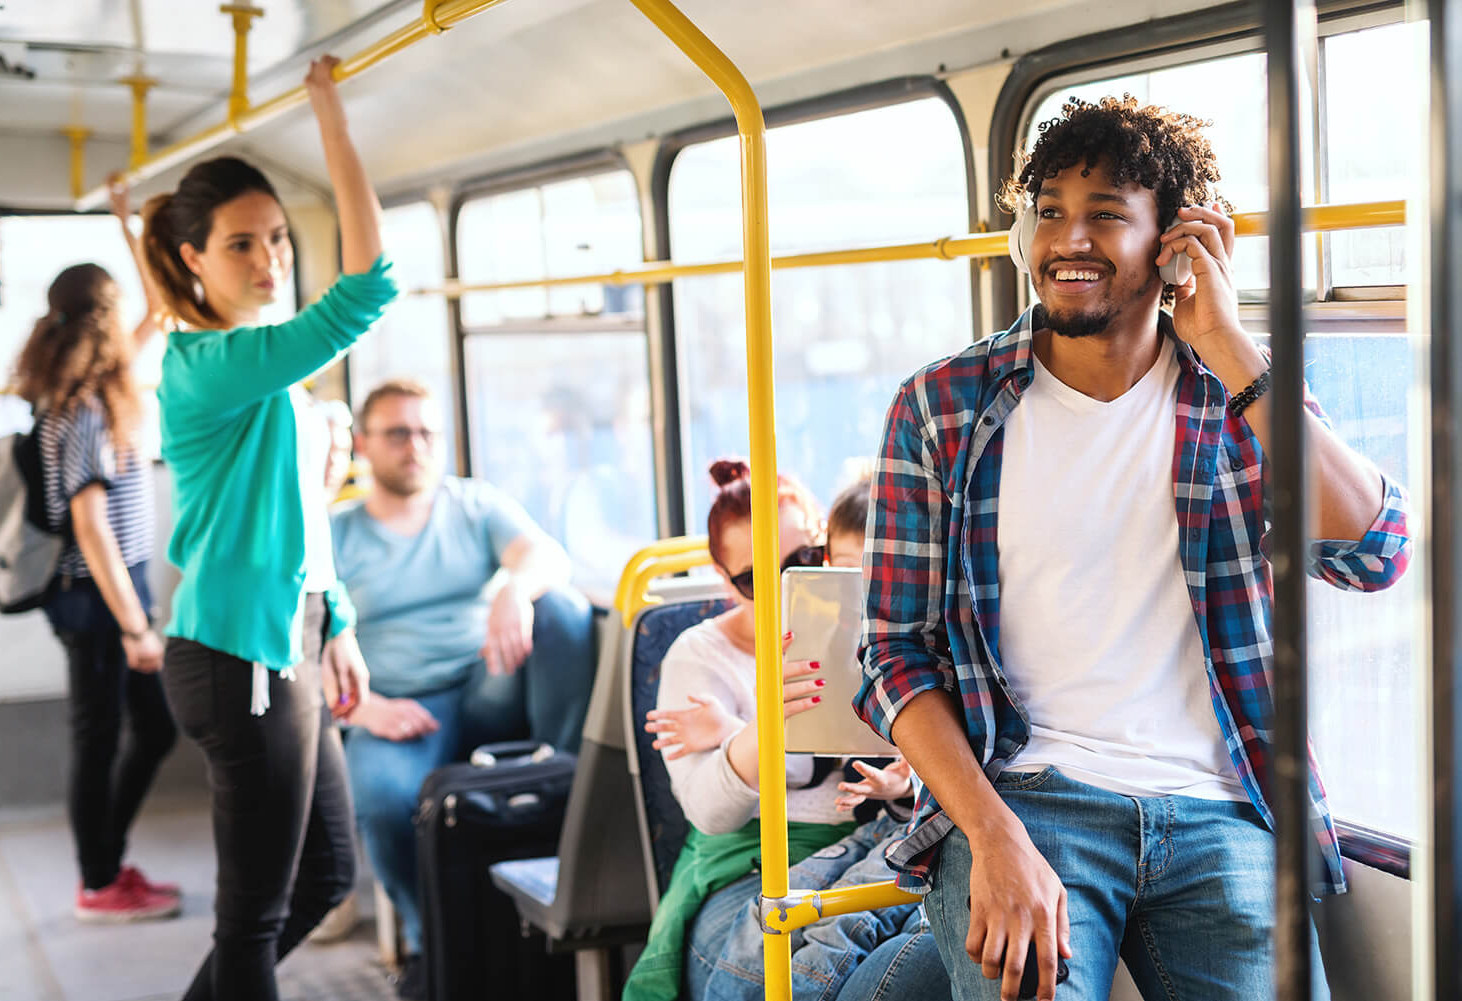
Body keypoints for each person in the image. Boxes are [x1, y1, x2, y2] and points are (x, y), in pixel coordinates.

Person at [856, 95, 1412, 1001]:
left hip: (1219, 811)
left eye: (1105, 214)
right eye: (1049, 213)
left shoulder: (1236, 395)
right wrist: (990, 837)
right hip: (1025, 799)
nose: (1067, 240)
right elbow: (892, 652)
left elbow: (1375, 552)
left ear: (1176, 243)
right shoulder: (943, 407)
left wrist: (1227, 341)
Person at [144, 57, 397, 1001]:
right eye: (242, 243)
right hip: (236, 655)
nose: (270, 259)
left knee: (325, 874)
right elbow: (366, 287)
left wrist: (339, 621)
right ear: (192, 259)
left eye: (280, 237)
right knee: (253, 916)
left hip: (290, 639)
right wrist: (330, 113)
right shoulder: (209, 363)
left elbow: (298, 516)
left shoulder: (265, 371)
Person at [329, 378, 595, 999]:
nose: (415, 447)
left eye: (427, 432)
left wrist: (513, 589)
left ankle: (565, 780)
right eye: (398, 434)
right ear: (364, 445)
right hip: (397, 707)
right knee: (383, 797)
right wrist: (363, 710)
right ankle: (431, 942)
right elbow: (305, 643)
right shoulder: (337, 533)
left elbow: (548, 556)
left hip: (484, 684)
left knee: (563, 610)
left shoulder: (473, 505)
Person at [645, 473, 949, 1001]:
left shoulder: (878, 632)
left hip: (872, 841)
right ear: (725, 580)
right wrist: (759, 726)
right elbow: (711, 814)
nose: (780, 588)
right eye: (754, 579)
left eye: (802, 562)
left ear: (825, 551)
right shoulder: (698, 656)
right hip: (752, 863)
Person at [11, 176, 177, 924]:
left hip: (108, 591)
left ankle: (106, 864)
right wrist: (136, 625)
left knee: (141, 730)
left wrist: (127, 221)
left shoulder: (90, 388)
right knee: (105, 736)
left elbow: (162, 308)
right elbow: (92, 529)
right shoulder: (83, 411)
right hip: (100, 595)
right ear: (105, 321)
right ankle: (99, 880)